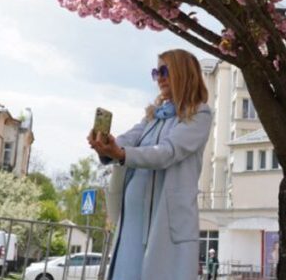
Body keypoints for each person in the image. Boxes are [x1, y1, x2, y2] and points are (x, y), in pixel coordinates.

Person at [88, 49, 212, 280]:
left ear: (183, 73)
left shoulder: (199, 114)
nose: (160, 78)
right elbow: (128, 139)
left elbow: (168, 152)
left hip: (164, 221)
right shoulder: (153, 117)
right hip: (134, 221)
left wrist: (122, 154)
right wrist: (105, 145)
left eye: (165, 71)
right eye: (156, 72)